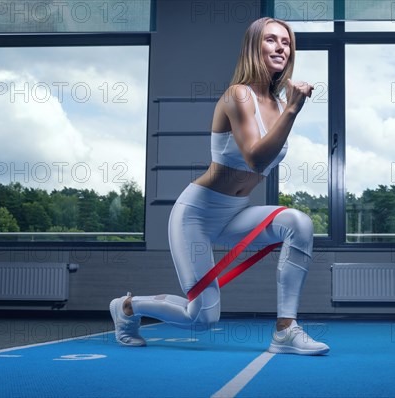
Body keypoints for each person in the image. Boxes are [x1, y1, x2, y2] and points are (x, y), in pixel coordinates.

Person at [109, 17, 329, 356]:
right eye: (271, 40)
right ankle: (127, 307)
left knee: (298, 223)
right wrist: (295, 110)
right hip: (195, 215)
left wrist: (289, 108)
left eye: (286, 42)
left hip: (235, 214)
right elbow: (256, 159)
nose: (281, 47)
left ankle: (286, 329)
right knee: (203, 317)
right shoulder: (238, 96)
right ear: (254, 48)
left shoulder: (280, 104)